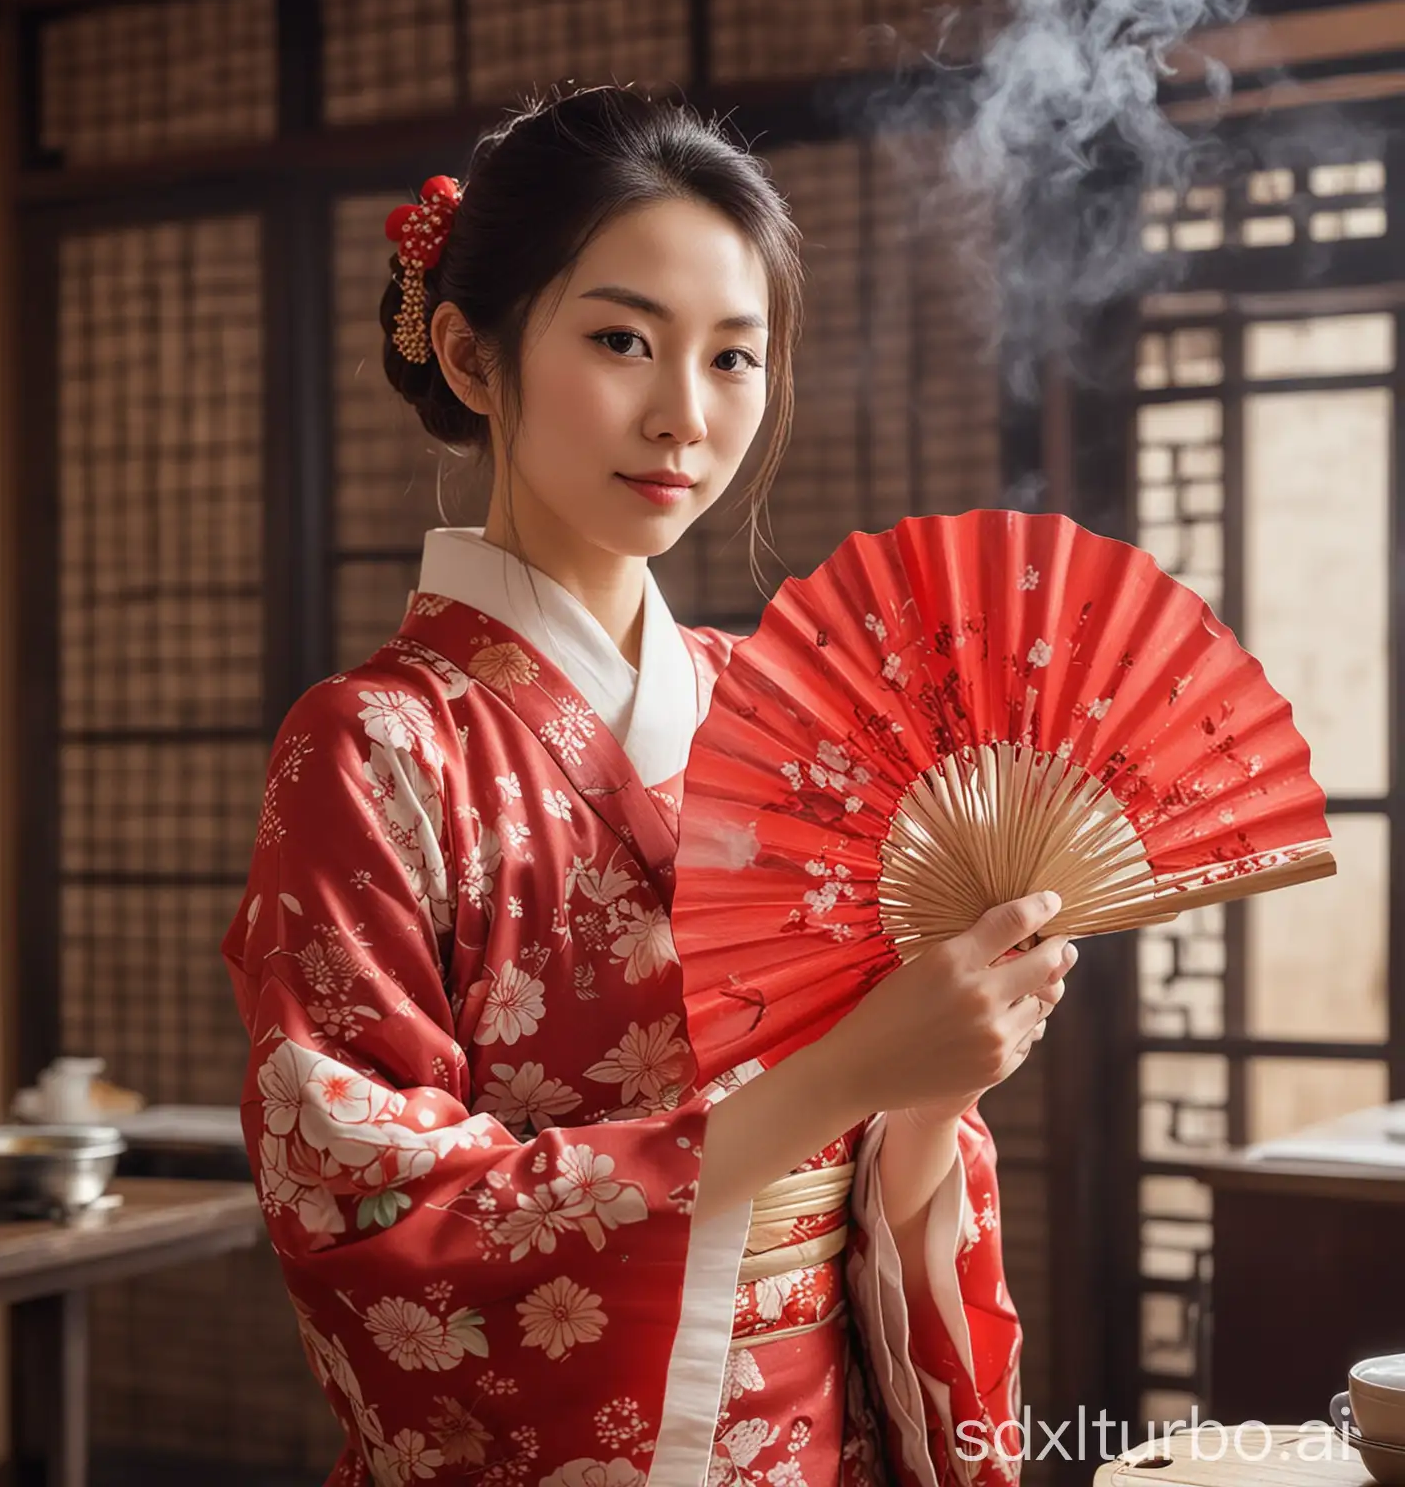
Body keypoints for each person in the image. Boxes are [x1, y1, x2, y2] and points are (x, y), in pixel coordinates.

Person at [222, 84, 1074, 1487]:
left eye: (734, 359)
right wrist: (854, 1071)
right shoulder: (374, 748)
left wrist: (935, 1077)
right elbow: (372, 1208)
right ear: (472, 356)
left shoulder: (781, 714)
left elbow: (882, 1147)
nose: (683, 415)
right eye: (623, 340)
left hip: (822, 1444)